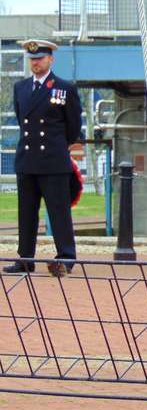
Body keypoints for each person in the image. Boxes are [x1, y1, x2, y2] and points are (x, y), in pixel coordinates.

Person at [4, 40, 82, 277]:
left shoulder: (64, 88)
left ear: (50, 59)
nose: (35, 63)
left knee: (58, 211)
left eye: (39, 59)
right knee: (26, 212)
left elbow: (73, 127)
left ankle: (66, 258)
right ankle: (25, 259)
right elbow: (21, 119)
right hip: (27, 159)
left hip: (53, 160)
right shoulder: (21, 87)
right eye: (32, 59)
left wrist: (57, 146)